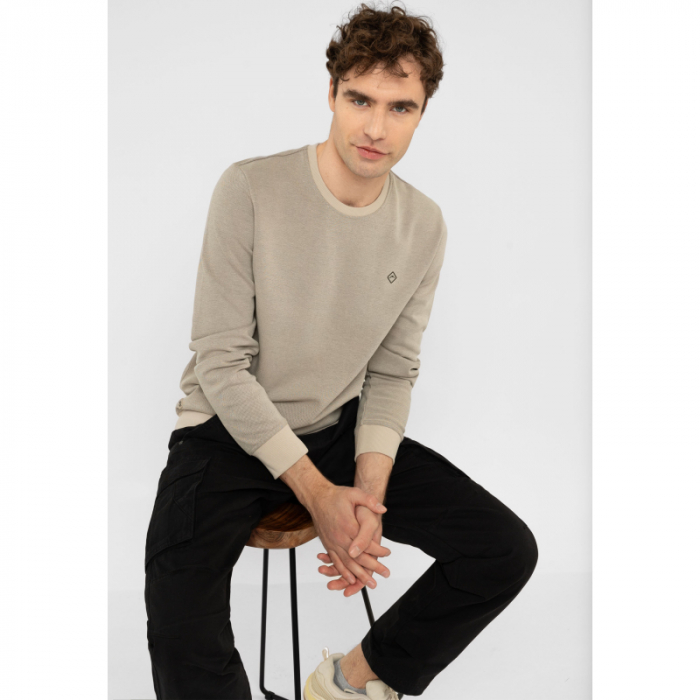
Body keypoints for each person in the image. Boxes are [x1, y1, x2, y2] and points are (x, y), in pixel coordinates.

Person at [143, 3, 538, 698]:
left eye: (400, 107)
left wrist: (366, 499)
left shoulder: (423, 225)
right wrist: (321, 498)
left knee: (503, 550)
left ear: (422, 112)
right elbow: (221, 363)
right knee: (179, 619)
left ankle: (348, 682)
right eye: (360, 99)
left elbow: (392, 370)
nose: (376, 128)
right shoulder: (250, 188)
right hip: (223, 432)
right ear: (331, 93)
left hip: (332, 428)